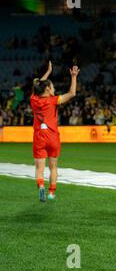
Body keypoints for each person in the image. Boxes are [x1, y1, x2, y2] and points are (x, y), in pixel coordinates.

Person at [31, 61, 80, 202]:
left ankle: (41, 186)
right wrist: (74, 77)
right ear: (47, 89)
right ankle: (51, 193)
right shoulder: (54, 100)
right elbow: (72, 93)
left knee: (39, 168)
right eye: (52, 87)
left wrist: (47, 73)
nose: (54, 89)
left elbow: (38, 85)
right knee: (53, 167)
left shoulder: (33, 99)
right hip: (52, 136)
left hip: (39, 135)